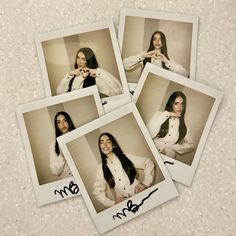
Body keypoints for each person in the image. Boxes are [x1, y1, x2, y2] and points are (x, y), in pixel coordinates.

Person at [93, 132, 155, 207]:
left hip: (141, 196)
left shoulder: (126, 157)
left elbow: (148, 162)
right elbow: (97, 192)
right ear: (100, 146)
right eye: (102, 142)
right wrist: (113, 203)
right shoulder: (101, 168)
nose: (105, 145)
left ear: (113, 144)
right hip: (125, 206)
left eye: (108, 142)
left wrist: (145, 183)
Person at [57, 47, 123, 98]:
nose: (79, 61)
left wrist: (98, 72)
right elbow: (59, 93)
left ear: (89, 60)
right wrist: (69, 75)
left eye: (83, 59)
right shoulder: (73, 75)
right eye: (78, 58)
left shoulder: (96, 76)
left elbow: (118, 91)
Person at [147, 91, 194, 158]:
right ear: (171, 103)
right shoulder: (160, 115)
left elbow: (191, 145)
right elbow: (148, 134)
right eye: (176, 103)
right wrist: (168, 114)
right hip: (152, 153)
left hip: (169, 159)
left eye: (182, 104)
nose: (180, 107)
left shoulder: (185, 124)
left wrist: (172, 147)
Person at [123, 31, 188, 77]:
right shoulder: (144, 54)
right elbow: (124, 65)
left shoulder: (167, 59)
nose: (157, 41)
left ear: (163, 42)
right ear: (152, 41)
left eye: (160, 39)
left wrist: (167, 62)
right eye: (155, 39)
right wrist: (141, 56)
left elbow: (185, 74)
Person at [49, 111, 75, 178]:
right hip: (68, 180)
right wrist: (61, 155)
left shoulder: (78, 136)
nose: (63, 124)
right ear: (56, 125)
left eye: (65, 120)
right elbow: (55, 171)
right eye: (59, 122)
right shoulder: (53, 145)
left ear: (69, 121)